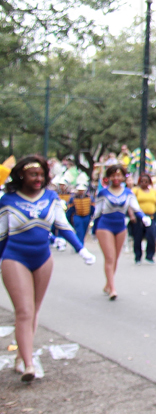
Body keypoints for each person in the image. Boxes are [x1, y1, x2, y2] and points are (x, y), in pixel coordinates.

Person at [1, 156, 96, 382]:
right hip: (14, 258)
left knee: (33, 310)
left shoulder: (51, 197)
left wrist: (81, 249)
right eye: (33, 174)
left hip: (43, 259)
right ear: (21, 175)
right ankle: (28, 363)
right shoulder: (7, 200)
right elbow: (2, 235)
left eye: (42, 175)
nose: (38, 179)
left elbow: (63, 225)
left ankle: (21, 355)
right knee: (23, 311)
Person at [92, 164, 143, 300]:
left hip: (120, 227)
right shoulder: (103, 193)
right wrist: (93, 229)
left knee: (115, 258)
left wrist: (144, 218)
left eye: (119, 175)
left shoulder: (127, 192)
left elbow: (136, 208)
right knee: (109, 257)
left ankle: (108, 283)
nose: (116, 178)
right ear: (108, 177)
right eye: (113, 175)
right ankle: (112, 288)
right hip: (105, 226)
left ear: (123, 177)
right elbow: (97, 212)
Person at [132, 173, 156, 265]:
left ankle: (150, 255)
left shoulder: (153, 192)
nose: (144, 183)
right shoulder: (136, 191)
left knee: (152, 236)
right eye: (142, 181)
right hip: (139, 217)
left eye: (146, 181)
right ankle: (138, 256)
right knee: (138, 237)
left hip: (151, 216)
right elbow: (131, 204)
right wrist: (132, 215)